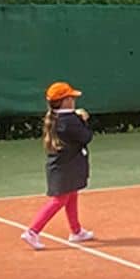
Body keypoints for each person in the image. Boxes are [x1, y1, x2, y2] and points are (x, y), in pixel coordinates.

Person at [22, 81, 96, 249]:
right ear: (65, 101)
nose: (74, 100)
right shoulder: (70, 120)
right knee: (60, 200)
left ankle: (76, 231)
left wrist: (76, 117)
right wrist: (83, 120)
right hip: (65, 167)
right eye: (71, 97)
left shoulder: (58, 118)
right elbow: (86, 137)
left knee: (72, 194)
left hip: (64, 166)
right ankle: (32, 231)